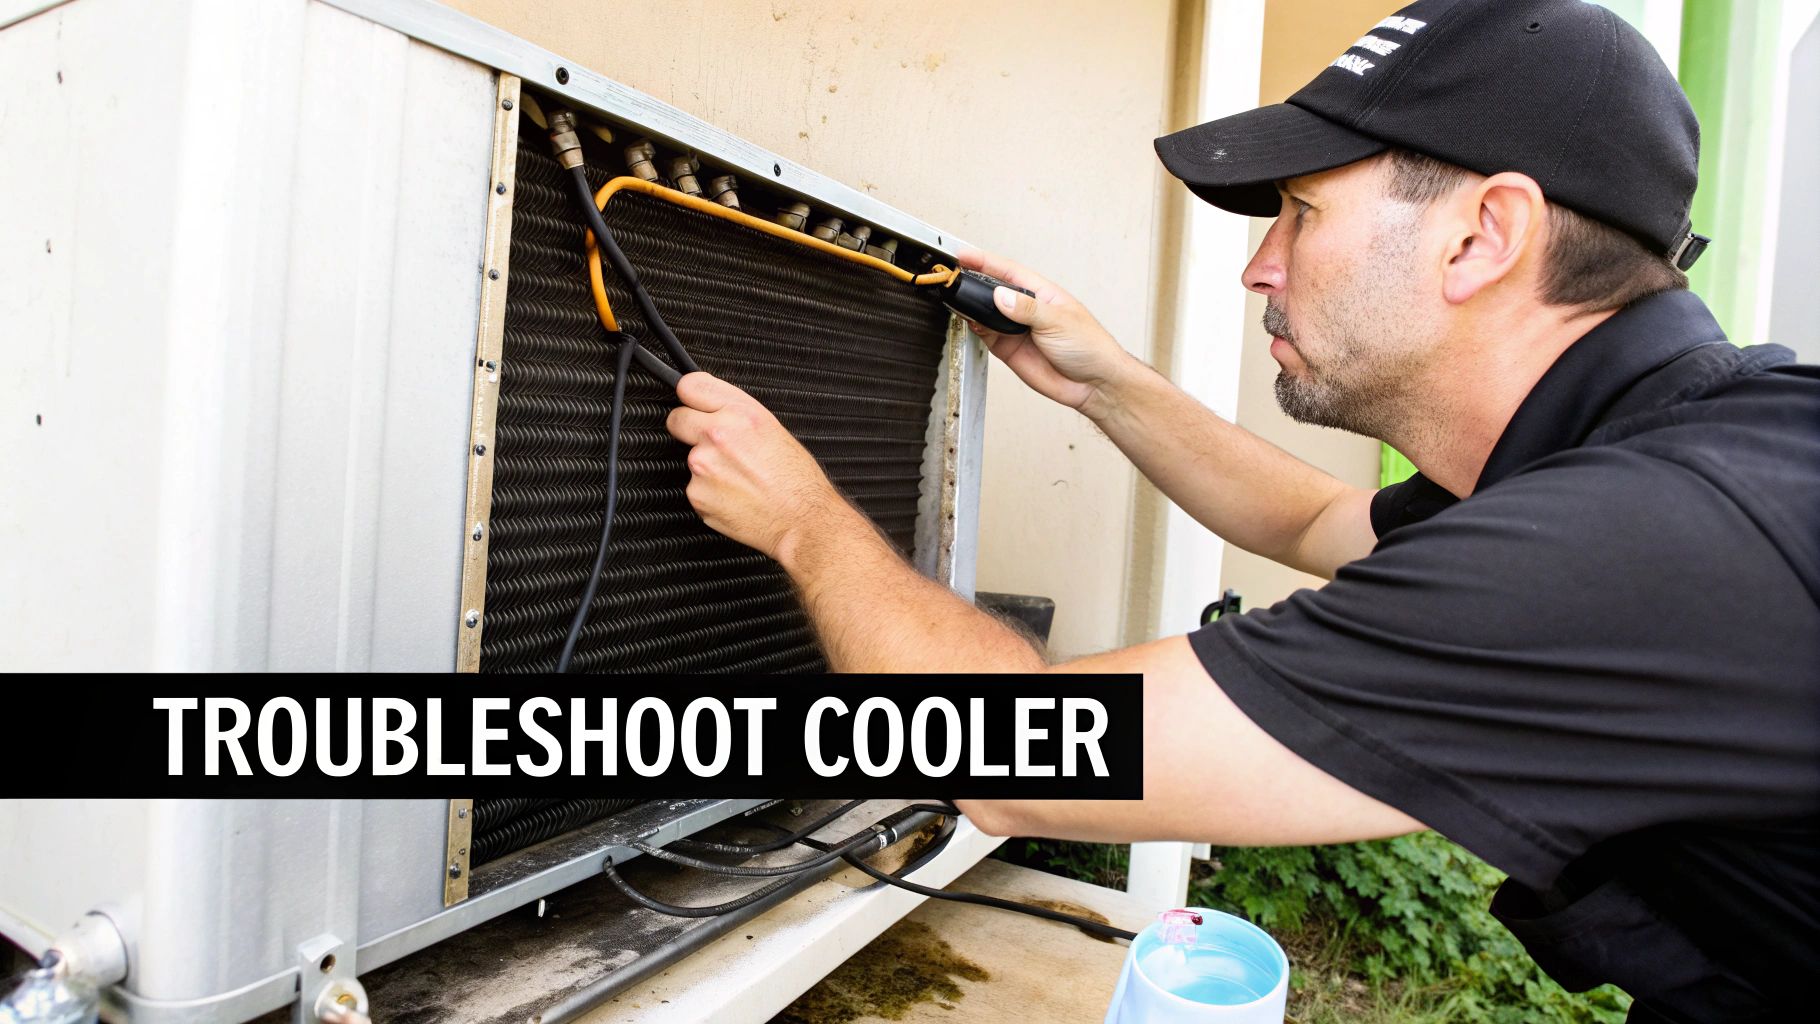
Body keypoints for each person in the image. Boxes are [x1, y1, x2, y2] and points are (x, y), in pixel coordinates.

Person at [663, 0, 1819, 1019]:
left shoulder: (1633, 544)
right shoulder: (1653, 448)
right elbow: (1318, 524)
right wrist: (1104, 383)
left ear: (1483, 235)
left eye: (1302, 212)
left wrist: (803, 520)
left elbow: (1019, 762)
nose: (1258, 267)